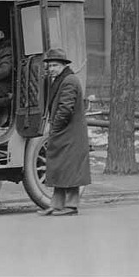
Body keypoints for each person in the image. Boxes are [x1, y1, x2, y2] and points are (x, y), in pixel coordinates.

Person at [38, 48, 91, 216]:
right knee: (61, 170)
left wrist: (54, 128)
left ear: (62, 65)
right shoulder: (64, 79)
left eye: (54, 65)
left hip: (69, 134)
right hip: (66, 133)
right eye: (49, 65)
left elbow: (65, 109)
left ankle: (71, 206)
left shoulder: (68, 81)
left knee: (69, 171)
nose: (51, 68)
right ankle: (57, 205)